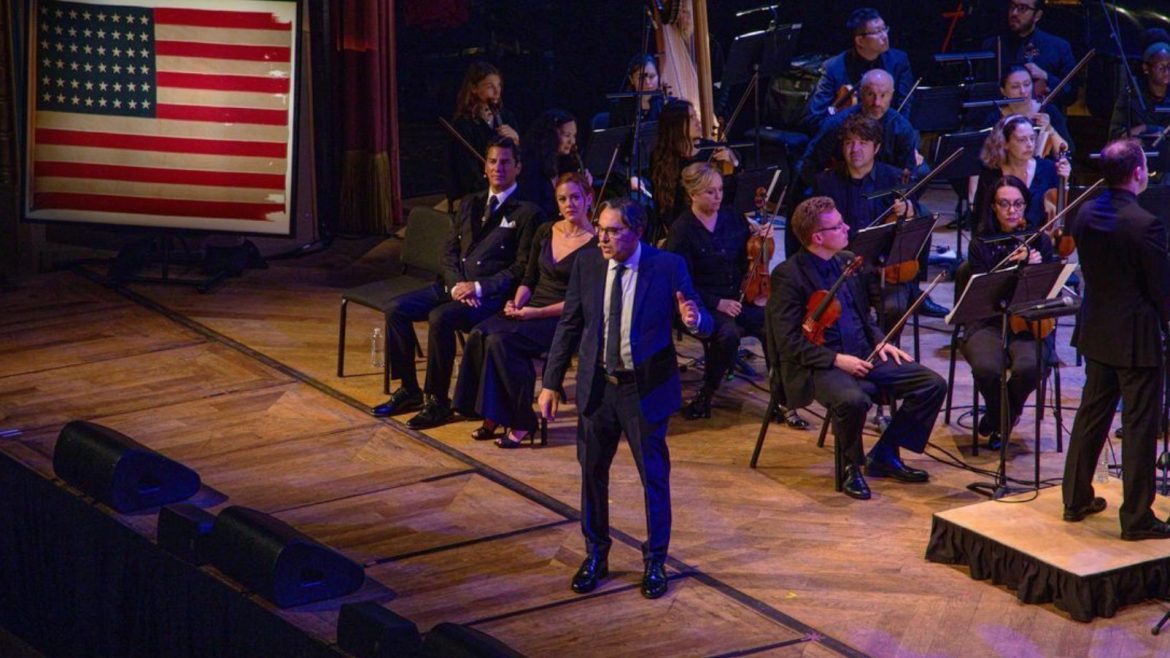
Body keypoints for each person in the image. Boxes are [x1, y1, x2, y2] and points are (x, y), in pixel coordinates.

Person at [538, 198, 712, 599]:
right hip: (598, 387)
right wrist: (550, 382)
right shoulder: (588, 263)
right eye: (600, 228)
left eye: (613, 231)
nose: (603, 238)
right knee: (592, 474)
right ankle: (596, 555)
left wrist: (694, 320)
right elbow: (569, 325)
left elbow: (702, 318)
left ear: (638, 232)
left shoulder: (667, 266)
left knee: (653, 478)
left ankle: (655, 561)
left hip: (643, 390)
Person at [767, 196, 946, 500]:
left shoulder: (847, 261)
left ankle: (886, 453)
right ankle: (851, 466)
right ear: (818, 237)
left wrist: (880, 340)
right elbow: (788, 342)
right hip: (818, 363)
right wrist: (837, 360)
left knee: (931, 384)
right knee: (853, 400)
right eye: (838, 226)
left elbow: (864, 315)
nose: (847, 227)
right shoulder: (789, 275)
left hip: (864, 351)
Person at [373, 136, 544, 427]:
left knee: (440, 318)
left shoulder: (528, 212)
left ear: (518, 167)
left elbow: (520, 267)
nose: (498, 168)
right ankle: (409, 390)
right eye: (493, 161)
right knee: (395, 309)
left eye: (505, 162)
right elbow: (449, 252)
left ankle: (437, 401)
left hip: (488, 296)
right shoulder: (469, 202)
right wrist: (456, 286)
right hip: (454, 286)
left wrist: (478, 288)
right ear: (484, 167)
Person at [1061, 139, 1170, 540]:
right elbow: (1160, 289)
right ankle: (1137, 518)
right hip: (1136, 338)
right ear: (1139, 173)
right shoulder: (1146, 224)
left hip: (1097, 330)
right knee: (1139, 425)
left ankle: (1075, 499)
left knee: (1092, 415)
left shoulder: (1085, 213)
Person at [452, 173, 597, 446]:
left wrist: (535, 313)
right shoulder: (546, 231)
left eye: (575, 197)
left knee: (501, 342)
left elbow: (582, 302)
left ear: (588, 199)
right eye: (563, 199)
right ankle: (491, 414)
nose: (569, 204)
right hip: (531, 306)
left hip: (562, 318)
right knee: (480, 333)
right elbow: (529, 278)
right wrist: (517, 302)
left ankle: (521, 421)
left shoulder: (596, 244)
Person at [811, 114, 946, 324]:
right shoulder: (825, 182)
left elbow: (915, 226)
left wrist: (909, 212)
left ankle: (883, 344)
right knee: (838, 311)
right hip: (840, 269)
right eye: (849, 142)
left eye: (863, 143)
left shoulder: (895, 178)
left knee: (896, 306)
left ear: (876, 148)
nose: (855, 149)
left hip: (882, 269)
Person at [961, 176, 1055, 451]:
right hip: (988, 321)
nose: (1012, 211)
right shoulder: (980, 244)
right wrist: (1012, 270)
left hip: (1028, 321)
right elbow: (984, 291)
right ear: (993, 207)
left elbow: (1049, 289)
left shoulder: (1039, 241)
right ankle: (1003, 418)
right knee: (986, 368)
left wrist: (1036, 270)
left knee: (1030, 367)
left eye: (1018, 204)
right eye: (1004, 204)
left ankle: (997, 418)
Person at [666, 163, 766, 419]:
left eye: (720, 190)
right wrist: (717, 302)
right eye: (710, 192)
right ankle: (706, 395)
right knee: (727, 334)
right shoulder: (682, 231)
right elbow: (680, 282)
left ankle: (781, 396)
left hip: (737, 297)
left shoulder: (732, 218)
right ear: (693, 194)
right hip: (700, 302)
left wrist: (760, 241)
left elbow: (749, 259)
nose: (718, 196)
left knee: (772, 322)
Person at [798, 69, 920, 193]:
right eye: (870, 94)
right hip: (843, 185)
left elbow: (907, 173)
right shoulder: (836, 124)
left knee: (922, 172)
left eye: (883, 95)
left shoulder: (902, 128)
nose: (877, 102)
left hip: (882, 189)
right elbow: (810, 163)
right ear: (861, 93)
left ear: (891, 95)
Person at [802, 7, 914, 134]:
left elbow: (905, 107)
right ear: (860, 40)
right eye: (877, 32)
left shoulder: (899, 61)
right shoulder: (833, 68)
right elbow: (815, 118)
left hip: (886, 133)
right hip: (846, 135)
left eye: (884, 29)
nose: (884, 36)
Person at [647, 99, 736, 242]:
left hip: (713, 224)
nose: (698, 122)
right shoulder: (661, 158)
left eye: (696, 116)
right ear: (676, 125)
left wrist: (733, 161)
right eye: (691, 118)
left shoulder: (712, 150)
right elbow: (663, 205)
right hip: (679, 229)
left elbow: (730, 194)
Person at [972, 114, 1070, 231]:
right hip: (999, 238)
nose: (1029, 145)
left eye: (1032, 138)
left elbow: (1060, 210)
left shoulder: (1048, 168)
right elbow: (981, 217)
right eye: (1021, 140)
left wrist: (1064, 180)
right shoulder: (991, 173)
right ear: (1005, 143)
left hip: (1040, 238)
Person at [446, 62, 522, 204]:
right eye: (489, 86)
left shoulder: (506, 117)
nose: (497, 92)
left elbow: (519, 161)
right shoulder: (463, 123)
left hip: (504, 188)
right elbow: (467, 171)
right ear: (474, 89)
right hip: (475, 193)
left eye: (499, 85)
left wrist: (516, 141)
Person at [981, 0, 1077, 110]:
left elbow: (1070, 95)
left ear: (1037, 15)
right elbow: (980, 92)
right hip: (1001, 116)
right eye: (1012, 7)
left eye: (1022, 8)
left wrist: (1046, 76)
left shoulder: (1058, 47)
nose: (1014, 13)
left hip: (1044, 116)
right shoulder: (993, 45)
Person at [979, 65, 1071, 157]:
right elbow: (985, 156)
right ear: (1003, 91)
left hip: (1044, 165)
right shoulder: (994, 118)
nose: (1023, 91)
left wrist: (1049, 129)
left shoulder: (1049, 111)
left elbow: (1065, 154)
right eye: (1015, 87)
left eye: (1027, 85)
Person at [518, 109, 587, 218]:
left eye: (574, 136)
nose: (572, 142)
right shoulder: (530, 166)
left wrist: (583, 186)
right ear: (551, 136)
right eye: (567, 135)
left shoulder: (565, 163)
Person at [1109, 37, 1170, 139]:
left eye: (1169, 66)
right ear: (1146, 68)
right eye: (1161, 67)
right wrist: (1143, 129)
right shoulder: (1131, 95)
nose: (1167, 71)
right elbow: (1115, 135)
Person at [609, 54, 665, 128]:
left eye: (652, 76)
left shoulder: (666, 104)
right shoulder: (619, 108)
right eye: (641, 78)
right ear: (631, 79)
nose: (647, 82)